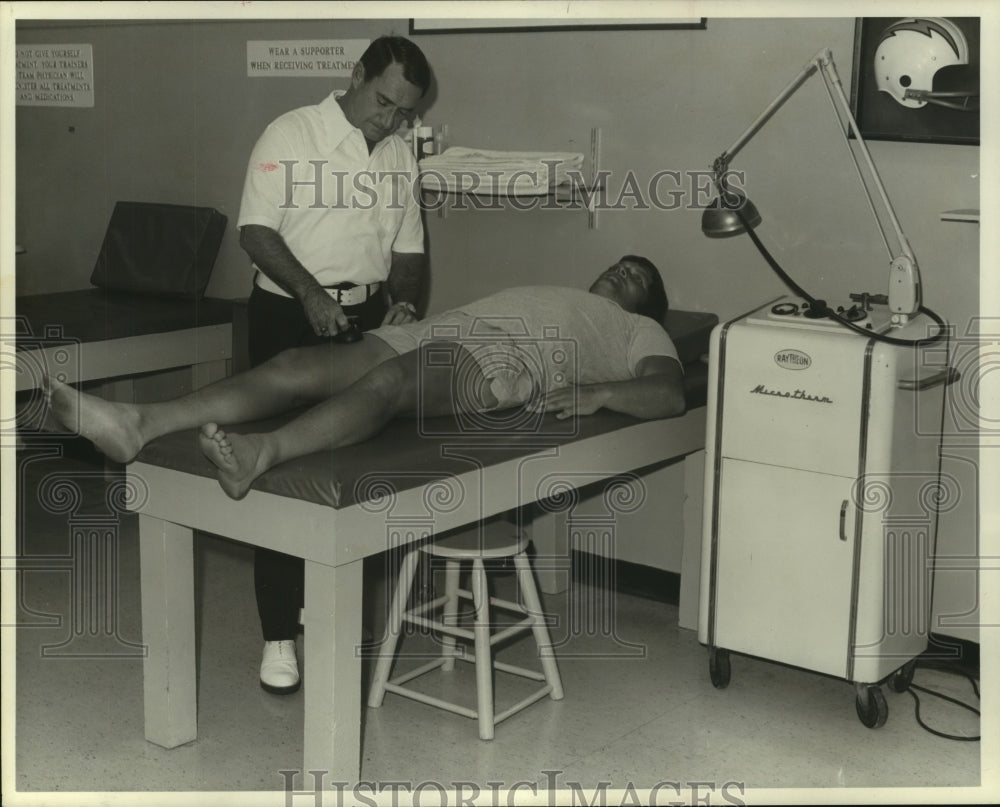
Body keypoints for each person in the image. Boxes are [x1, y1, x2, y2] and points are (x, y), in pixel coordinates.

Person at [45, 257, 685, 689]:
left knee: (389, 386)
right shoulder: (558, 290)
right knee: (294, 365)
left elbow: (668, 393)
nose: (622, 270)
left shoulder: (639, 329)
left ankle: (263, 452)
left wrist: (600, 392)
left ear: (649, 304)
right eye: (621, 263)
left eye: (638, 275)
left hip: (501, 361)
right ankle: (140, 422)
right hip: (434, 331)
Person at [236, 35, 431, 693]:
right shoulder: (290, 133)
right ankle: (277, 634)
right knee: (279, 467)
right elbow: (255, 232)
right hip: (287, 312)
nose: (389, 120)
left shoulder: (399, 155)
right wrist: (310, 294)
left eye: (403, 111)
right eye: (383, 102)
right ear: (356, 75)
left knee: (349, 463)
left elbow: (408, 250)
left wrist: (403, 303)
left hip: (365, 317)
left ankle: (324, 611)